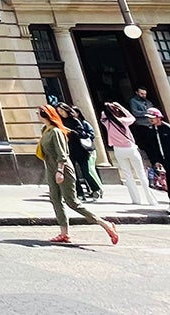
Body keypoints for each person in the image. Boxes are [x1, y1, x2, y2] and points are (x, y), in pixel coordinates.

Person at [36, 104, 118, 245]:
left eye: (38, 113)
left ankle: (105, 224)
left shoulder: (56, 131)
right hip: (51, 169)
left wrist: (60, 171)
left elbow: (62, 154)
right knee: (55, 199)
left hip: (62, 169)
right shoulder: (45, 130)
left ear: (45, 115)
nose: (36, 115)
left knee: (72, 201)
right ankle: (64, 233)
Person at [100, 102, 153, 206]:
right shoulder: (123, 121)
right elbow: (132, 117)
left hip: (118, 150)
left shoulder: (107, 123)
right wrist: (120, 107)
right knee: (141, 174)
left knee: (127, 175)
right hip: (130, 148)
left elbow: (103, 115)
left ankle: (135, 199)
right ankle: (150, 199)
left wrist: (107, 107)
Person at [59, 104, 102, 201]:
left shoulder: (75, 121)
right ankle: (79, 193)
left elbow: (82, 133)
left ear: (66, 110)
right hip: (69, 150)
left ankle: (95, 189)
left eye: (62, 111)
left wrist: (70, 131)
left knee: (86, 172)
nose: (61, 113)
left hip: (80, 150)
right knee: (73, 173)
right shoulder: (60, 122)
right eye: (59, 111)